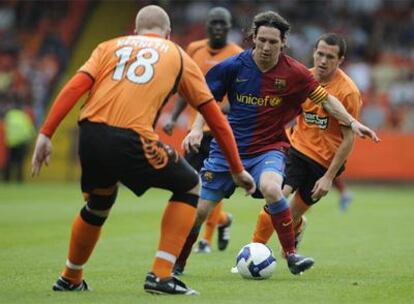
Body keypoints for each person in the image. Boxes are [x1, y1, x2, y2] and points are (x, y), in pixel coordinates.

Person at [31, 5, 255, 296]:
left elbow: (74, 87)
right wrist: (237, 169)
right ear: (168, 34)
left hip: (89, 134)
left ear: (135, 31)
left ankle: (70, 277)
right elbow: (215, 119)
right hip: (130, 136)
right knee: (190, 185)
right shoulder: (176, 54)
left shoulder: (108, 46)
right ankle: (161, 276)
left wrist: (46, 133)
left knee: (100, 202)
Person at [174, 12, 379, 276]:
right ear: (253, 39)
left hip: (268, 149)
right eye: (262, 40)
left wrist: (351, 122)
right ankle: (178, 262)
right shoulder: (233, 66)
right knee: (198, 212)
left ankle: (291, 255)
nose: (267, 47)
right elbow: (206, 99)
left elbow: (326, 100)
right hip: (228, 150)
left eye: (273, 42)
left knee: (273, 189)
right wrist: (195, 129)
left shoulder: (294, 73)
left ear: (283, 42)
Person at [251, 33, 363, 256]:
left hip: (323, 163)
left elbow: (349, 139)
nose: (322, 61)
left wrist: (329, 177)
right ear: (313, 52)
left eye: (330, 57)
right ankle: (253, 252)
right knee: (276, 202)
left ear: (340, 61)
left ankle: (298, 226)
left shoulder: (348, 92)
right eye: (320, 54)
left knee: (290, 217)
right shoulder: (303, 79)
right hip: (296, 150)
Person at [162, 7, 242, 258]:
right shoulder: (194, 49)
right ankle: (223, 220)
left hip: (221, 130)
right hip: (196, 131)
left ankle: (203, 240)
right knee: (186, 182)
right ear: (206, 26)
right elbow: (187, 88)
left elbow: (241, 98)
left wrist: (214, 106)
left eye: (223, 24)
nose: (218, 27)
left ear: (229, 27)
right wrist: (173, 118)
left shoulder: (238, 55)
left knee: (212, 184)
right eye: (214, 23)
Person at [3, 102, 35, 182]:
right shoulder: (23, 116)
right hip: (21, 143)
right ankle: (19, 180)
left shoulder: (9, 115)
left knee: (9, 163)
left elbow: (4, 128)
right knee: (19, 163)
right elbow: (30, 131)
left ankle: (7, 180)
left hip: (10, 143)